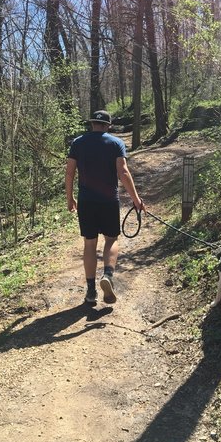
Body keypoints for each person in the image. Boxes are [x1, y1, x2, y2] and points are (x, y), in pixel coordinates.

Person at [65, 110, 145, 305]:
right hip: (109, 200)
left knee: (89, 243)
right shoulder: (116, 143)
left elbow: (69, 172)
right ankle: (108, 275)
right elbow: (123, 172)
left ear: (92, 124)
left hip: (86, 201)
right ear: (108, 125)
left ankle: (91, 290)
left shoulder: (78, 143)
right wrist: (136, 199)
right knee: (111, 239)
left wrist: (70, 198)